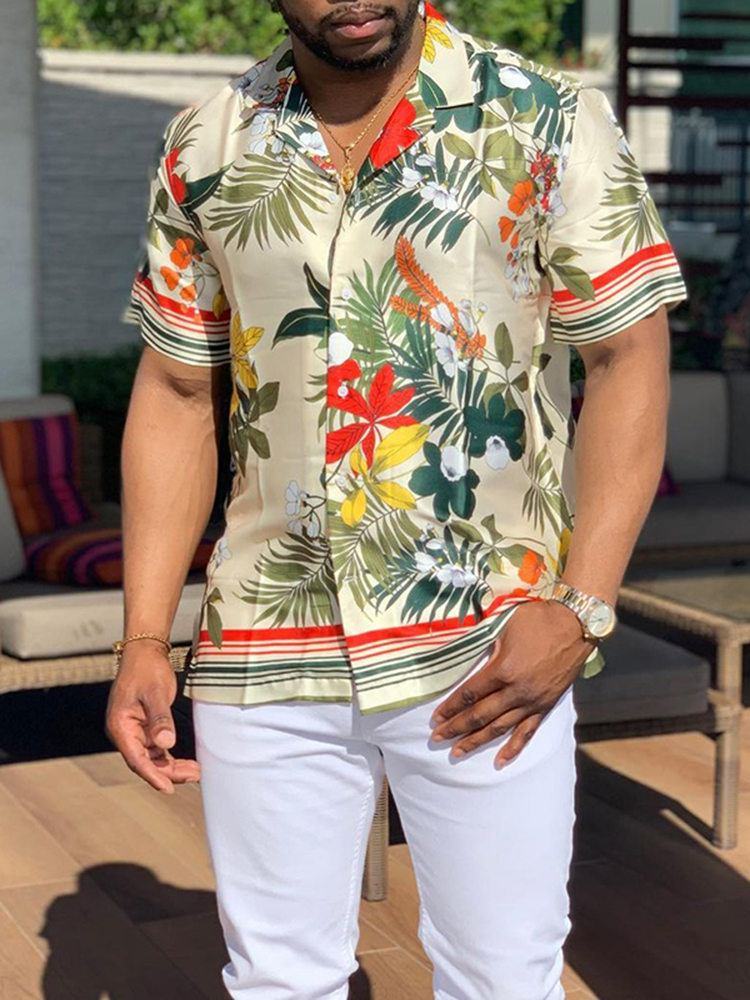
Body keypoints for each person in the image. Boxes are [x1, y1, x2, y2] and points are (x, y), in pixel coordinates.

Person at [106, 1, 686, 997]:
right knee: (277, 981)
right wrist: (144, 637)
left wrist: (582, 607)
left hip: (489, 643)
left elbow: (628, 355)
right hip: (266, 639)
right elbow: (176, 390)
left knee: (501, 980)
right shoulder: (205, 143)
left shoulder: (547, 117)